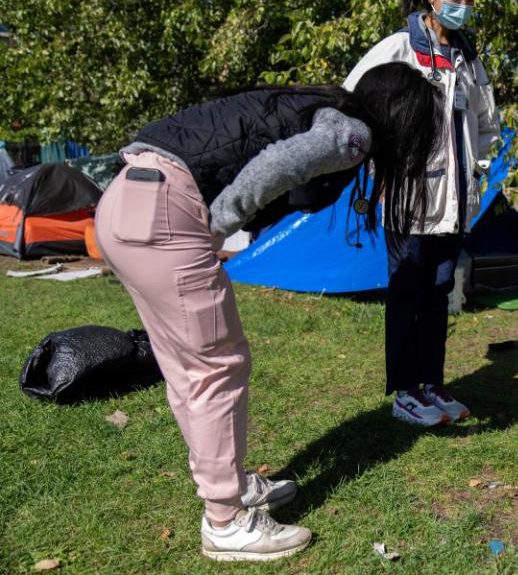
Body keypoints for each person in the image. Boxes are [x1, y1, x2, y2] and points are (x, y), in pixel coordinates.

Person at [95, 62, 445, 561]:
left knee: (186, 368)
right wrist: (219, 223)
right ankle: (226, 522)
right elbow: (280, 164)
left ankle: (231, 487)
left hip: (126, 203)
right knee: (216, 366)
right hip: (167, 212)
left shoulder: (317, 105)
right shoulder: (352, 132)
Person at [343, 0, 500, 427]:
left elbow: (486, 124)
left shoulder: (469, 59)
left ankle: (431, 383)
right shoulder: (398, 48)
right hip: (409, 198)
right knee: (408, 290)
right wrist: (383, 159)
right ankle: (404, 391)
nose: (465, 6)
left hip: (454, 201)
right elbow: (352, 99)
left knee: (439, 290)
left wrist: (477, 169)